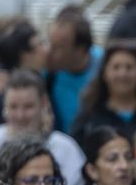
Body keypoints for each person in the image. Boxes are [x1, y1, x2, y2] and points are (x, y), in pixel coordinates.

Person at [0, 69, 89, 185]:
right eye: (13, 107)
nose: (20, 116)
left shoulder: (66, 149)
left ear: (43, 103)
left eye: (28, 107)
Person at [70, 39, 136, 143]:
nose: (122, 74)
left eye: (129, 67)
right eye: (116, 67)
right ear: (104, 73)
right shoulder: (89, 115)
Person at [44, 9, 102, 137]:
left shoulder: (106, 67)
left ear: (79, 50)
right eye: (49, 43)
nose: (48, 52)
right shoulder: (47, 73)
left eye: (57, 47)